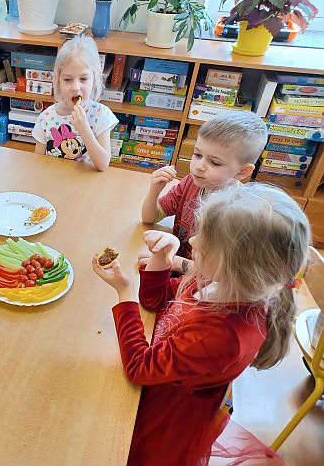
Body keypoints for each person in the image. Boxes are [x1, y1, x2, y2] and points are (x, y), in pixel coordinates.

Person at [92, 182, 310, 465]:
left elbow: (139, 367)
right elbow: (156, 299)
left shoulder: (222, 335)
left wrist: (124, 292)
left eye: (204, 243)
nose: (192, 241)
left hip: (164, 412)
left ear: (236, 267)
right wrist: (162, 256)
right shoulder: (218, 281)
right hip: (161, 375)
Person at [140, 111, 268, 272]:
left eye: (215, 162)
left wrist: (173, 261)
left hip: (198, 281)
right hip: (176, 265)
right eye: (197, 154)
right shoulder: (191, 182)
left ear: (242, 172)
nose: (199, 166)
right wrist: (154, 192)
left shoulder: (237, 213)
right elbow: (149, 218)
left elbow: (217, 274)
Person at [32, 36, 117, 171]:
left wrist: (84, 129)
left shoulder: (101, 114)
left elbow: (103, 165)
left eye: (83, 79)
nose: (76, 87)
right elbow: (38, 163)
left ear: (94, 79)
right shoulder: (46, 118)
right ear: (58, 80)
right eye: (67, 79)